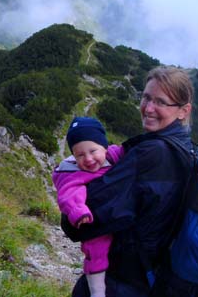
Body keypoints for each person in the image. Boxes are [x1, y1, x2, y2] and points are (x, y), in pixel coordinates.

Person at [63, 66, 195, 297]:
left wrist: (70, 193)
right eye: (146, 97)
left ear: (184, 111)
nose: (149, 108)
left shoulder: (152, 154)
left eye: (161, 102)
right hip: (151, 279)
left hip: (122, 281)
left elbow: (82, 221)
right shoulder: (184, 148)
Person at [52, 117, 124, 297]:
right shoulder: (72, 173)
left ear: (105, 147)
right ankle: (97, 292)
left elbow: (131, 152)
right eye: (80, 155)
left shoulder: (115, 155)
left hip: (116, 222)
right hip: (92, 224)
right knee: (96, 253)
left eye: (93, 151)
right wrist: (79, 211)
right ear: (74, 157)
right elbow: (68, 194)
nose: (89, 159)